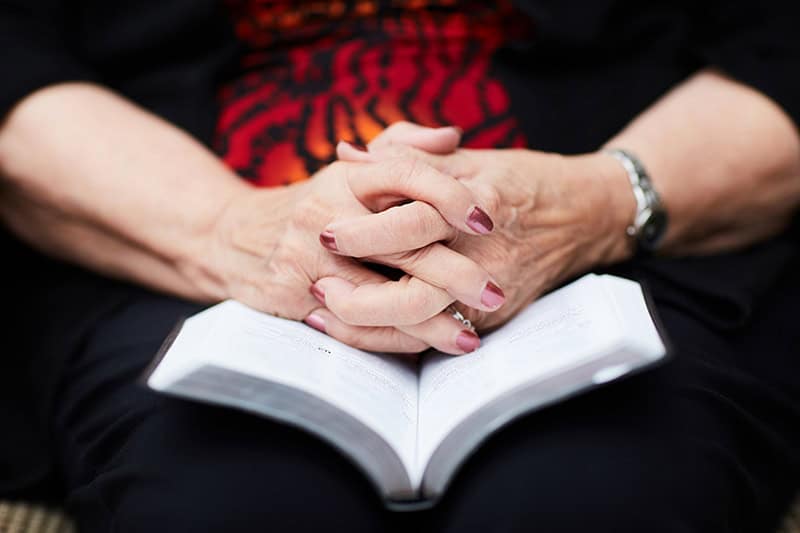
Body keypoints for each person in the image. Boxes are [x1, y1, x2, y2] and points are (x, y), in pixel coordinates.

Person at [1, 0, 799, 531]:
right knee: (230, 503)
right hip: (164, 243)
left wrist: (590, 203)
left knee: (596, 495)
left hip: (629, 246)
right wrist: (233, 228)